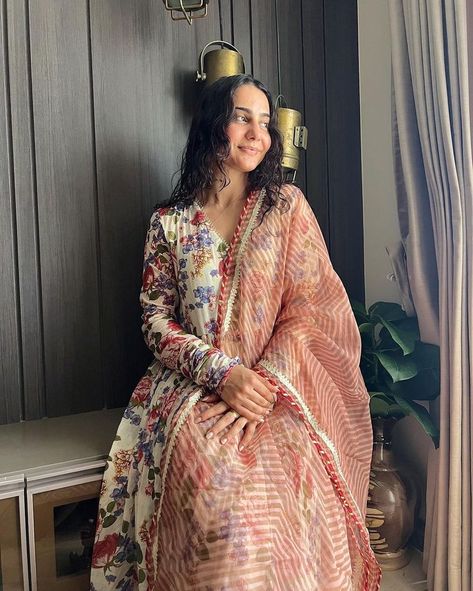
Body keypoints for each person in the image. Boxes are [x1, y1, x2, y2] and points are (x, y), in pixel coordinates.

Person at [90, 74, 381, 590]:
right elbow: (156, 320)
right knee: (222, 513)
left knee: (292, 506)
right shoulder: (171, 223)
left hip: (276, 389)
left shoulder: (285, 208)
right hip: (192, 391)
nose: (257, 134)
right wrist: (223, 374)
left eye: (265, 123)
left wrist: (260, 384)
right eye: (242, 117)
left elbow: (310, 308)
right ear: (212, 125)